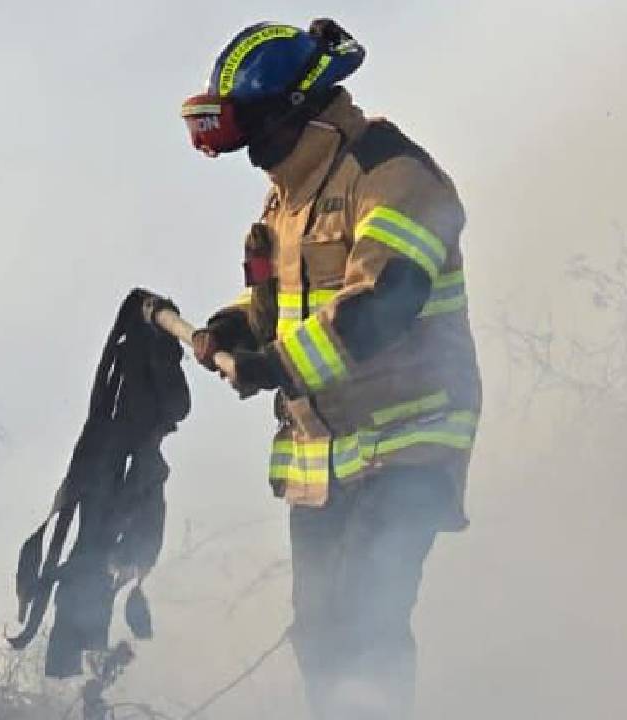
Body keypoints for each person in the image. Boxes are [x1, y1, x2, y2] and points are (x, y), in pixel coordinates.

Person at [180, 18, 482, 719]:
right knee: (320, 638)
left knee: (366, 625)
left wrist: (271, 366)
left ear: (298, 107)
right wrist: (234, 327)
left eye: (255, 130)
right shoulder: (290, 193)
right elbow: (289, 302)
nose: (251, 153)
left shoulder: (394, 175)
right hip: (324, 456)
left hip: (409, 440)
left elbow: (383, 304)